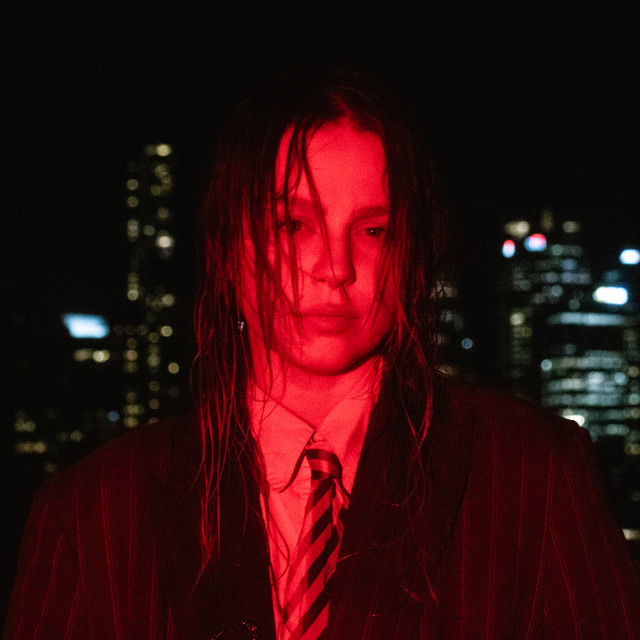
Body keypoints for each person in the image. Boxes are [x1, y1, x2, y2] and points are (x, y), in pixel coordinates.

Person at [4, 70, 640, 640]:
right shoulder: (92, 511)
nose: (334, 267)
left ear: (410, 254)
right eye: (293, 225)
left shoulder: (534, 474)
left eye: (372, 230)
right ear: (228, 246)